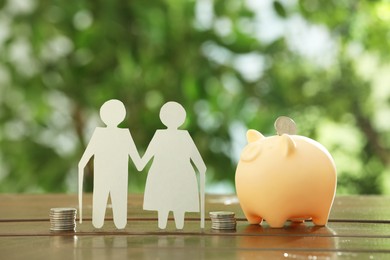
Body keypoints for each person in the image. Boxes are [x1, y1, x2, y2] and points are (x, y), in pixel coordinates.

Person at [140, 101, 206, 229]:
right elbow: (199, 162)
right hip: (173, 175)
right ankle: (173, 229)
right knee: (172, 205)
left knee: (170, 204)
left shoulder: (162, 135)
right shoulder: (182, 136)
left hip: (169, 175)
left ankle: (169, 229)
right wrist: (202, 168)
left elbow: (145, 159)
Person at [78, 99, 142, 229]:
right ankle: (110, 223)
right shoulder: (124, 134)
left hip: (106, 178)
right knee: (118, 218)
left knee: (101, 213)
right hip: (118, 178)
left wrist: (81, 166)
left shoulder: (99, 134)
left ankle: (102, 223)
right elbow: (138, 162)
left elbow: (84, 159)